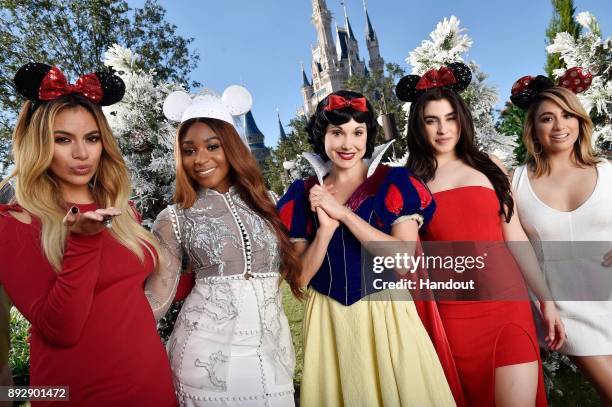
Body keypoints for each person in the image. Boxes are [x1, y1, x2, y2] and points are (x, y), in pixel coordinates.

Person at [0, 63, 176, 406]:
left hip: (153, 386)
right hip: (76, 394)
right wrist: (82, 242)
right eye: (63, 139)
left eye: (92, 138)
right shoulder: (14, 224)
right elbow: (61, 329)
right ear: (38, 145)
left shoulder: (120, 210)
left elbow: (127, 292)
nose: (82, 153)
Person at [397, 63, 565, 407]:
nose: (443, 129)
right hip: (453, 319)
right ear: (419, 125)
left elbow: (515, 236)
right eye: (432, 120)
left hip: (508, 310)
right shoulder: (409, 183)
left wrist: (546, 299)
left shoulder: (489, 166)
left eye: (450, 118)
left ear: (462, 119)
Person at [277, 90, 457, 406]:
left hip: (385, 312)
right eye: (337, 132)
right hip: (328, 320)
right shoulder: (302, 194)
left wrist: (343, 213)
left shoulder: (395, 182)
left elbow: (403, 259)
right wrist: (326, 231)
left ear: (367, 136)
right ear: (323, 136)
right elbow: (300, 280)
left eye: (357, 132)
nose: (348, 144)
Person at [145, 88, 299, 406]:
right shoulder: (173, 218)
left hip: (274, 356)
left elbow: (284, 271)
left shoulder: (268, 203)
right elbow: (157, 297)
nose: (200, 159)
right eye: (189, 150)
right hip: (204, 361)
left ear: (231, 147)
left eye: (212, 146)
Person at [510, 70, 612, 405]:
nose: (559, 126)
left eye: (567, 115)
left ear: (580, 120)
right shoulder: (517, 182)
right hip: (565, 308)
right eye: (547, 118)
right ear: (533, 129)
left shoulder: (608, 172)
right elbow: (515, 243)